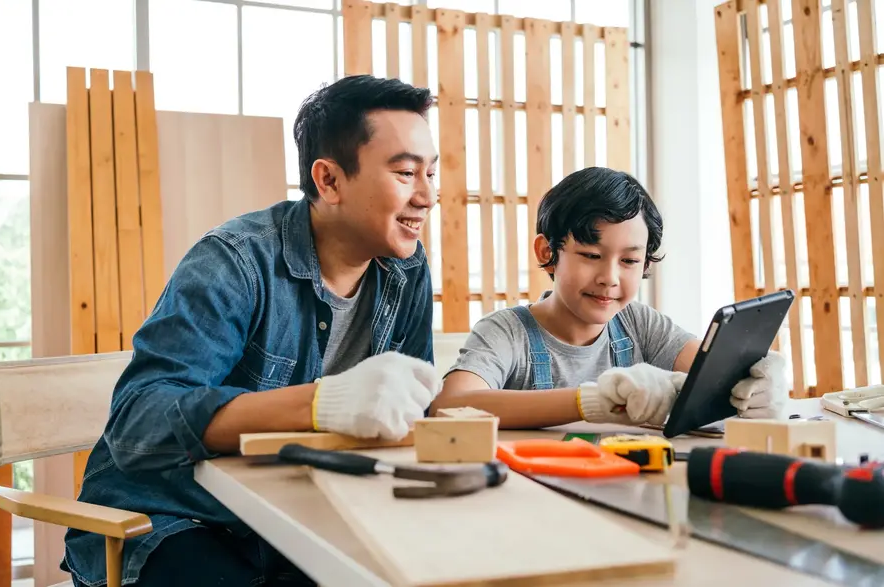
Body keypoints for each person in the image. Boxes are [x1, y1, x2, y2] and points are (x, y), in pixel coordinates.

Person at [62, 75, 442, 587]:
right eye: (404, 172)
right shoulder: (233, 261)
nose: (427, 196)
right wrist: (321, 403)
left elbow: (406, 416)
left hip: (301, 516)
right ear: (328, 180)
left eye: (432, 174)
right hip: (175, 518)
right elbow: (138, 424)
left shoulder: (407, 270)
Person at [430, 166, 788, 429]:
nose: (609, 278)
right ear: (547, 252)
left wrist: (757, 379)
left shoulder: (638, 323)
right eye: (590, 255)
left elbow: (713, 372)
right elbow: (450, 406)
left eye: (630, 261)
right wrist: (592, 401)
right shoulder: (507, 332)